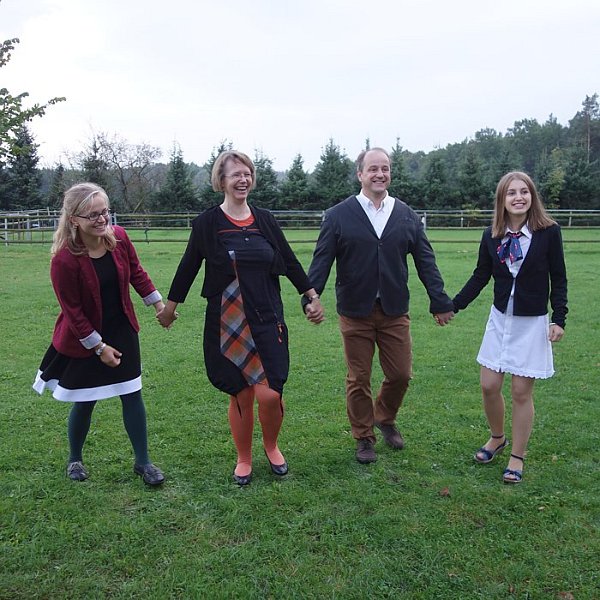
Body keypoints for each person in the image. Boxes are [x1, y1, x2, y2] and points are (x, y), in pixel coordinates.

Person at [157, 150, 323, 486]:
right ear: (221, 180)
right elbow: (189, 266)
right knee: (241, 393)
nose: (242, 179)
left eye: (247, 173)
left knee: (270, 392)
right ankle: (244, 458)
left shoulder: (264, 220)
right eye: (235, 174)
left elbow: (288, 261)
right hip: (227, 321)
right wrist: (170, 308)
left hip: (266, 316)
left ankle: (272, 446)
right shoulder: (208, 223)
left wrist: (311, 294)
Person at [304, 147, 454, 464]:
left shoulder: (405, 215)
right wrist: (310, 296)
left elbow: (426, 261)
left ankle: (384, 417)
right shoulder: (338, 216)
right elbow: (321, 263)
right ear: (360, 174)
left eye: (384, 168)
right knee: (359, 378)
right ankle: (364, 438)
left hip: (394, 310)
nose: (379, 174)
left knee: (400, 374)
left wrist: (439, 300)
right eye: (373, 168)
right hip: (355, 311)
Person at [33, 183, 165, 486]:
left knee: (132, 393)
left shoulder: (119, 238)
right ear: (75, 219)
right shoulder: (64, 260)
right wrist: (99, 347)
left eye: (104, 211)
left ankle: (143, 462)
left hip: (122, 329)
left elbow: (137, 273)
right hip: (85, 339)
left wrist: (158, 304)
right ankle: (75, 459)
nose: (102, 219)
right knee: (86, 398)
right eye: (93, 215)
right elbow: (73, 313)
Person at [452, 171, 568, 484]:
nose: (518, 197)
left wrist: (559, 317)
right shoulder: (492, 234)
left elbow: (558, 277)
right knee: (489, 385)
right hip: (500, 320)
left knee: (520, 391)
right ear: (502, 200)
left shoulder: (548, 232)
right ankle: (497, 437)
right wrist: (454, 305)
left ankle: (517, 455)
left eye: (524, 192)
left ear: (532, 196)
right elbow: (480, 276)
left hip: (531, 324)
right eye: (511, 193)